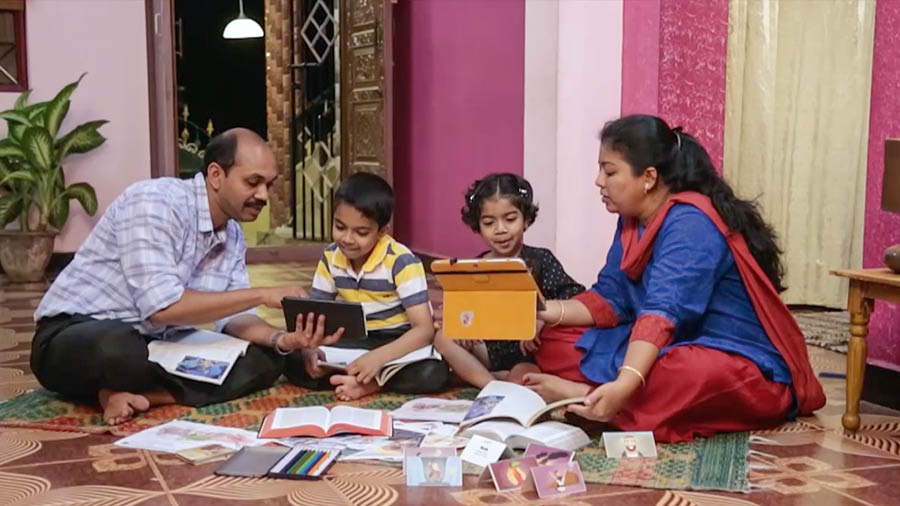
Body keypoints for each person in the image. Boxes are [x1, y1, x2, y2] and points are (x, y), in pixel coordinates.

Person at [518, 115, 826, 442]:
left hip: (734, 359)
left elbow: (663, 313)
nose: (598, 181)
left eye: (609, 171)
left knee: (689, 373)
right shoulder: (632, 220)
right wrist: (547, 312)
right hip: (667, 343)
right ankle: (614, 396)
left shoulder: (691, 221)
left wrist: (625, 383)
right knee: (552, 338)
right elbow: (611, 297)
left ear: (649, 177)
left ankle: (589, 396)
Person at [31, 129, 341, 425]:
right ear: (216, 175)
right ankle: (117, 388)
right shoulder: (154, 202)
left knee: (266, 359)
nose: (263, 195)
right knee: (118, 349)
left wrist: (283, 340)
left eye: (268, 185)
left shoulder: (232, 235)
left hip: (156, 342)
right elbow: (162, 308)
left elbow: (234, 318)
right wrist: (262, 294)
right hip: (75, 333)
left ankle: (141, 395)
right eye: (253, 182)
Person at [283, 172, 447, 400]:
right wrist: (310, 350)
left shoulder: (401, 261)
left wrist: (378, 358)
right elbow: (315, 314)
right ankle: (359, 378)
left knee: (433, 373)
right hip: (356, 339)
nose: (347, 239)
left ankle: (370, 382)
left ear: (381, 232)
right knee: (291, 360)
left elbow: (424, 330)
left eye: (361, 232)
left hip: (397, 341)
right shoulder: (331, 257)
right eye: (340, 227)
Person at [433, 173, 584, 388]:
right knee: (442, 338)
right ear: (478, 225)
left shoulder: (540, 259)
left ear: (526, 219)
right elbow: (465, 308)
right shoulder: (477, 266)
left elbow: (574, 295)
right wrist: (462, 329)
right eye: (489, 222)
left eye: (510, 219)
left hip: (527, 352)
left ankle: (486, 377)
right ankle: (491, 384)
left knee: (524, 378)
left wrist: (541, 320)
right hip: (488, 348)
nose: (500, 230)